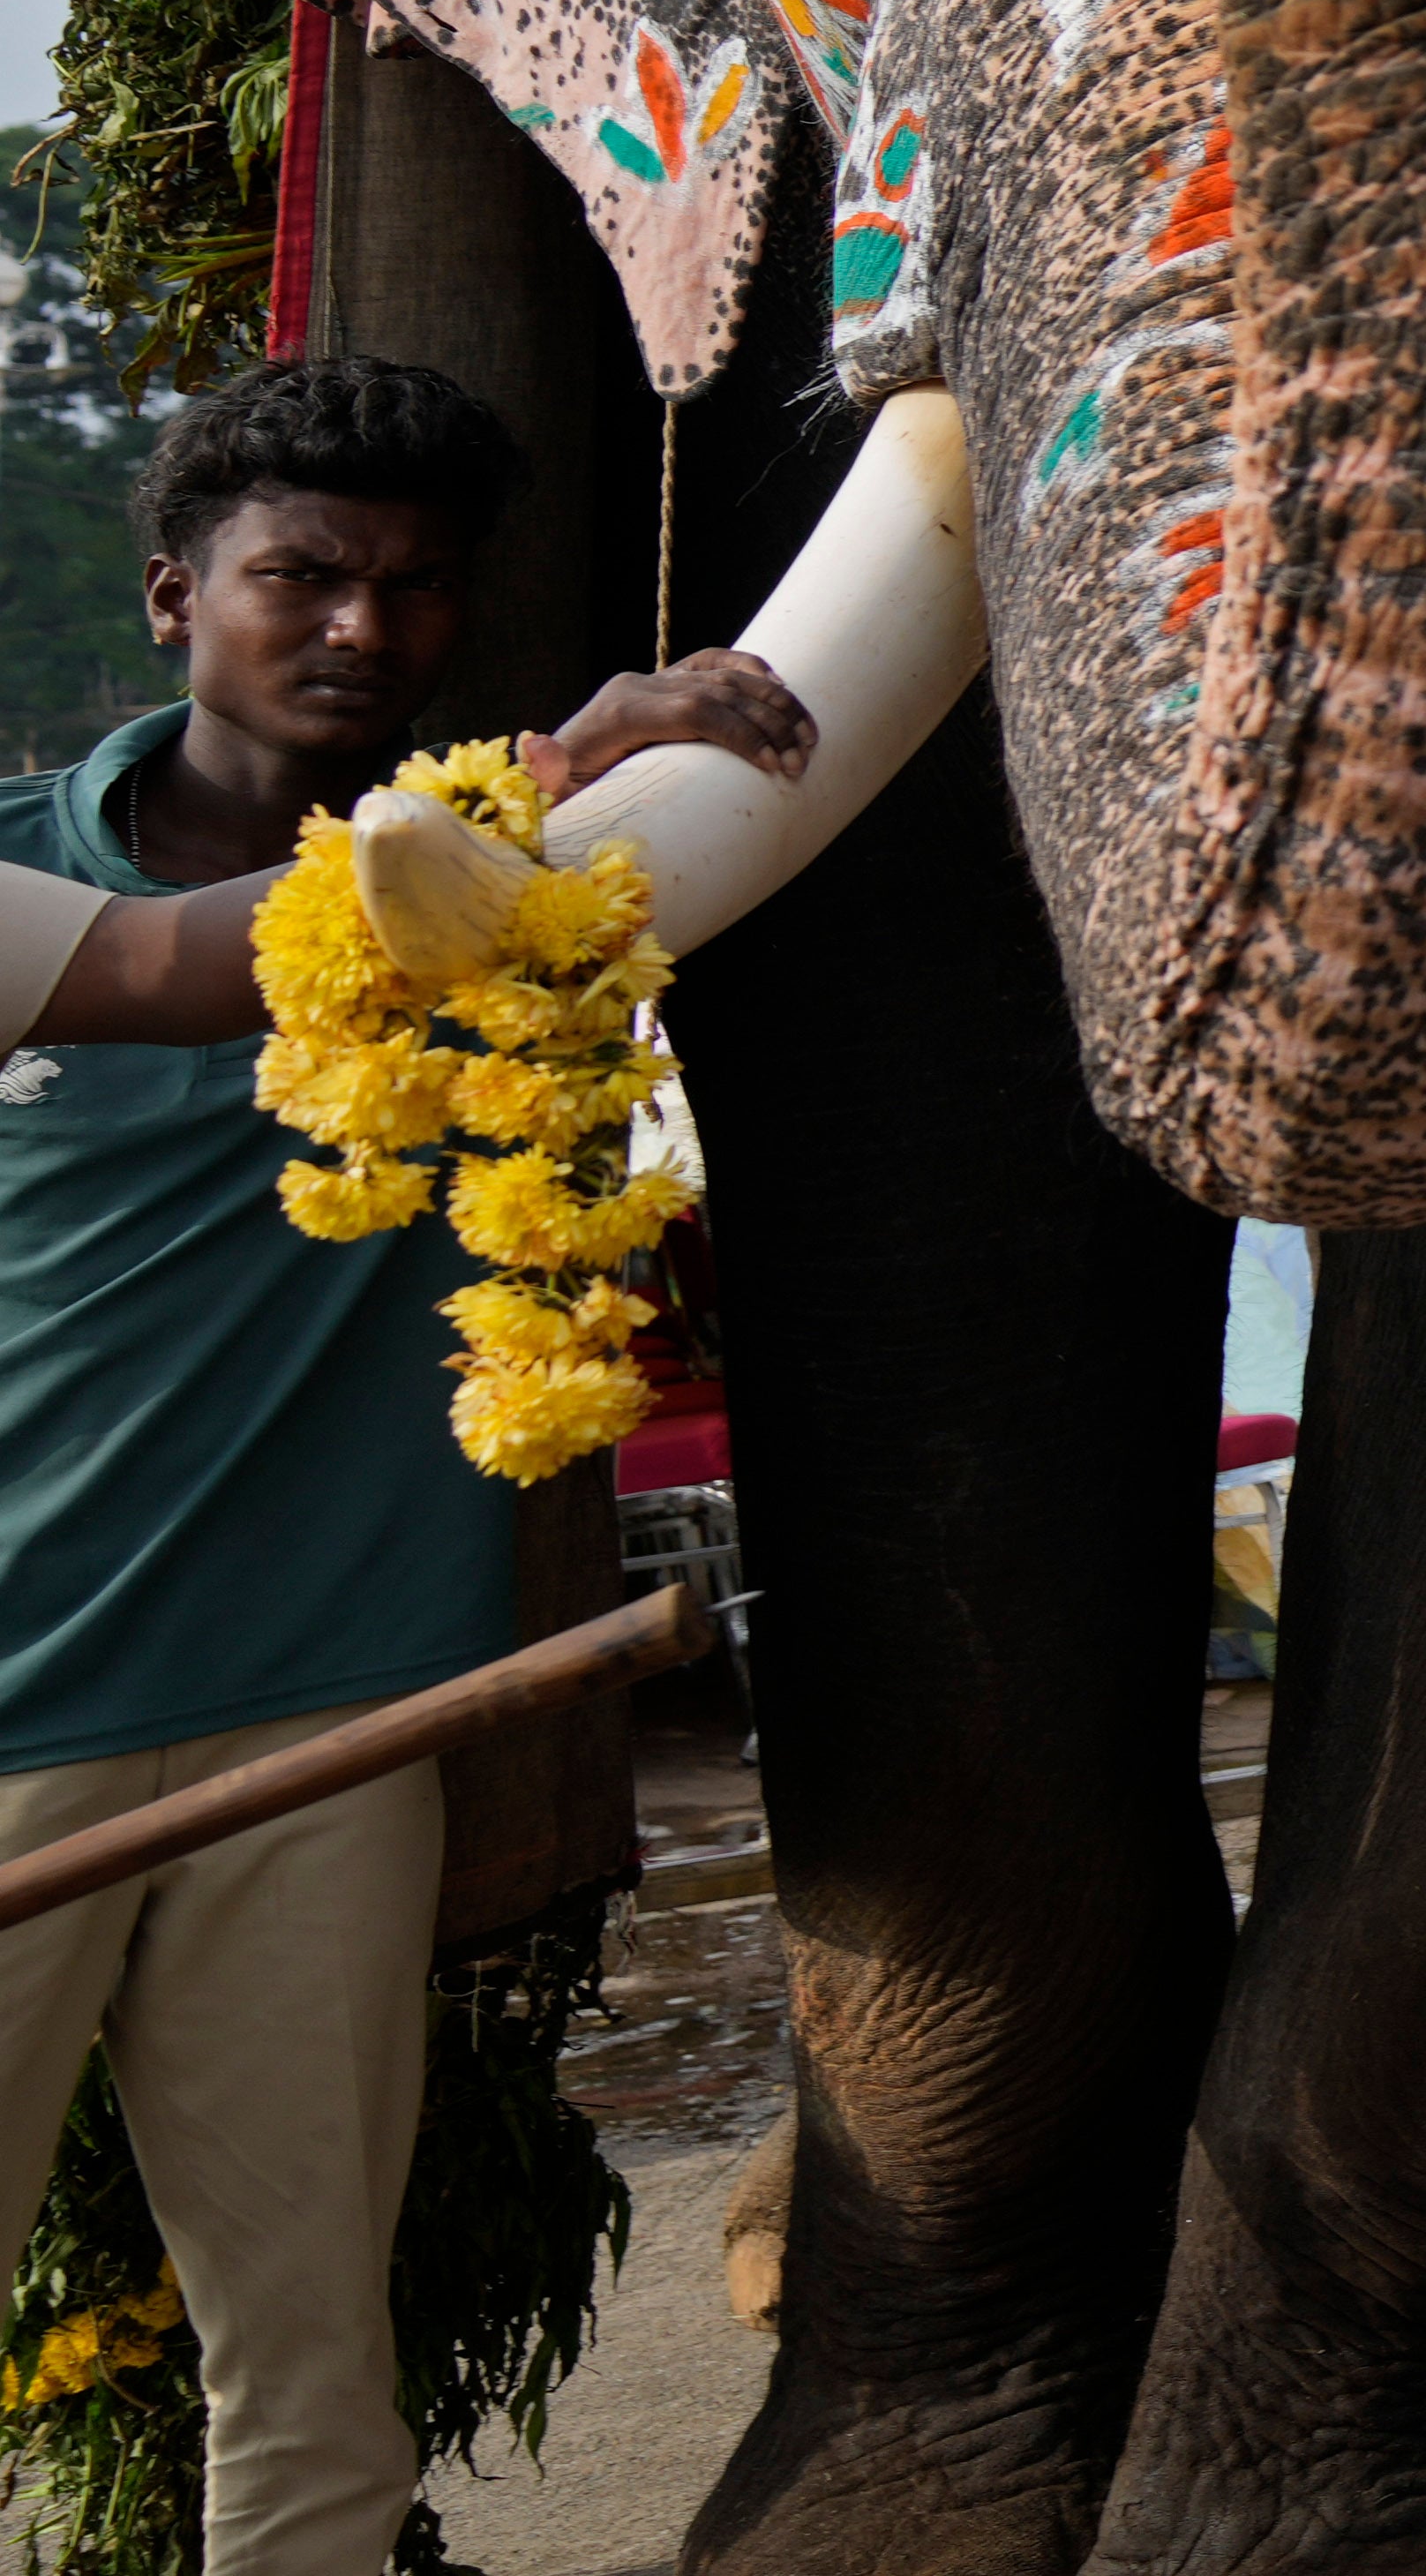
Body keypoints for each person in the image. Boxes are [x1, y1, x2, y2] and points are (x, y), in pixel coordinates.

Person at [0, 358, 806, 2576]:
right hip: (14, 1717)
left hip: (335, 1720)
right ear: (174, 594)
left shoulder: (551, 904)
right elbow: (202, 961)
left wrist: (566, 802)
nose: (359, 624)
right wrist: (556, 769)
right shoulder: (30, 878)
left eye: (416, 584)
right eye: (300, 574)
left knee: (310, 2362)